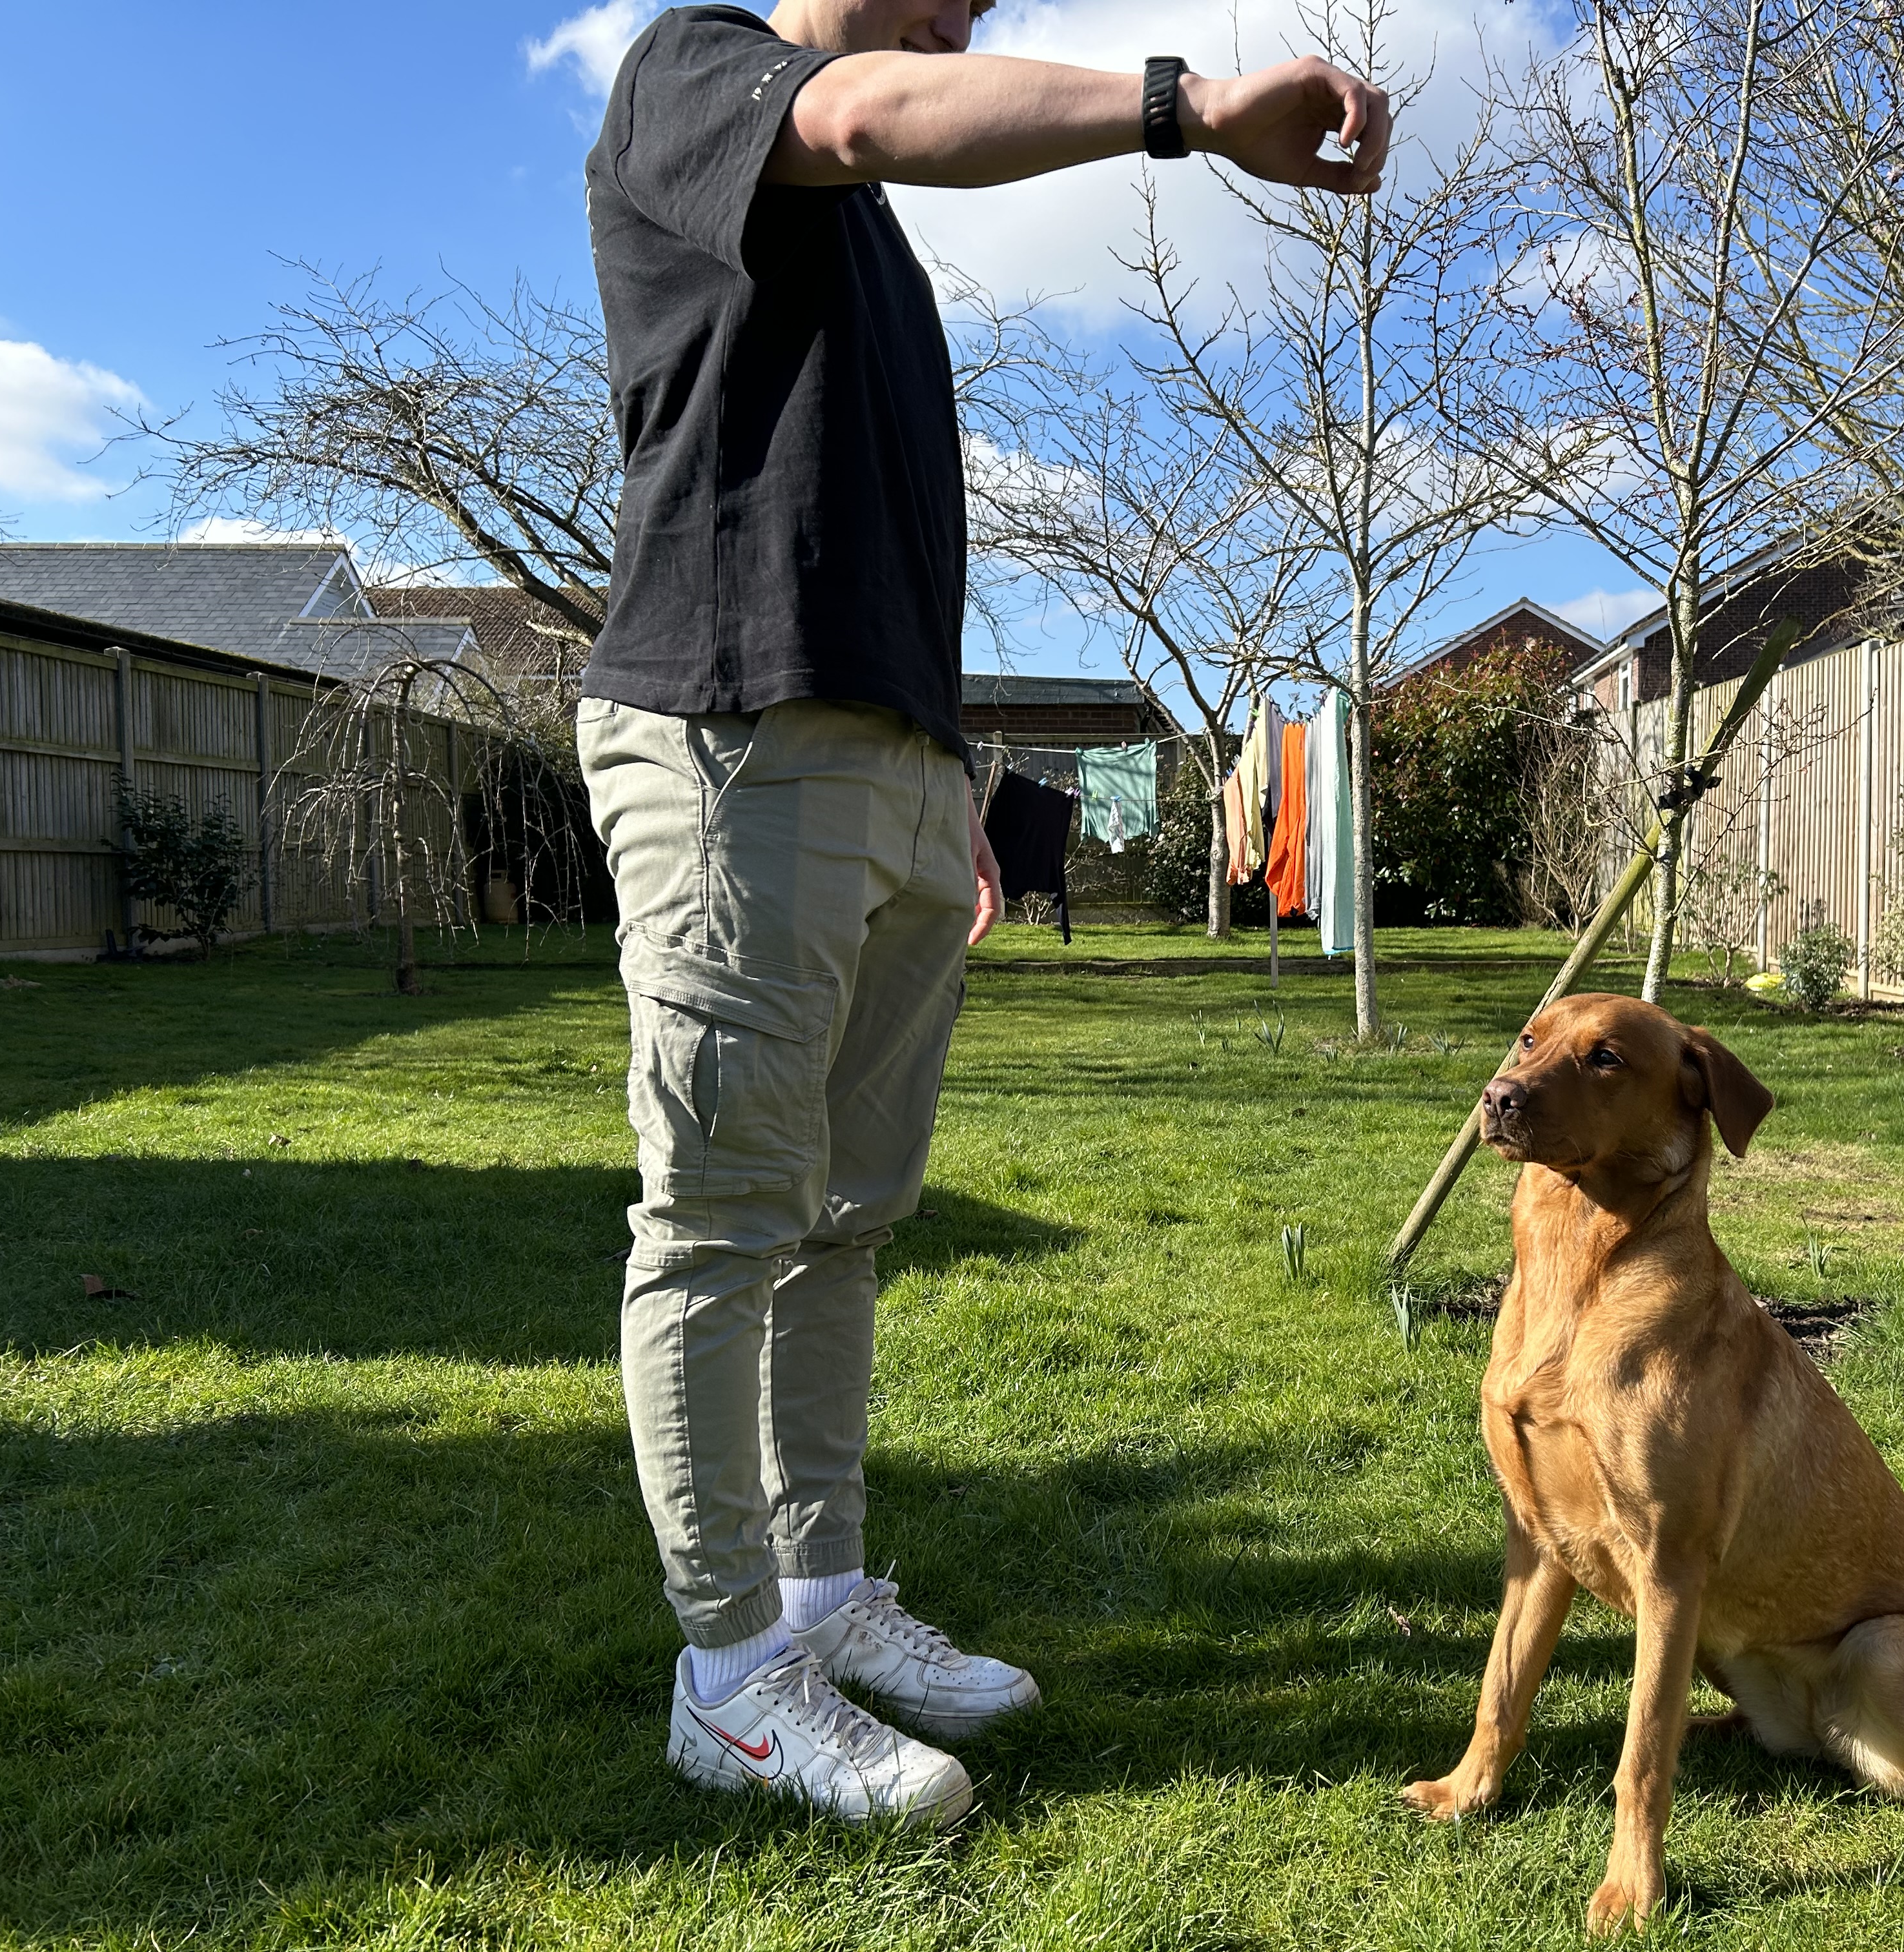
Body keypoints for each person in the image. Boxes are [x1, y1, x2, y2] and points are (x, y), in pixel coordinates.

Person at [574, 1, 1390, 1831]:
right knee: (722, 1219)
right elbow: (869, 109)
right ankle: (729, 1676)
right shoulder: (695, 73)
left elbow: (878, 530)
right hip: (733, 731)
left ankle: (820, 1598)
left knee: (845, 1221)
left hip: (886, 760)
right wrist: (1188, 109)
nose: (969, 17)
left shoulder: (871, 246)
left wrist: (946, 774)